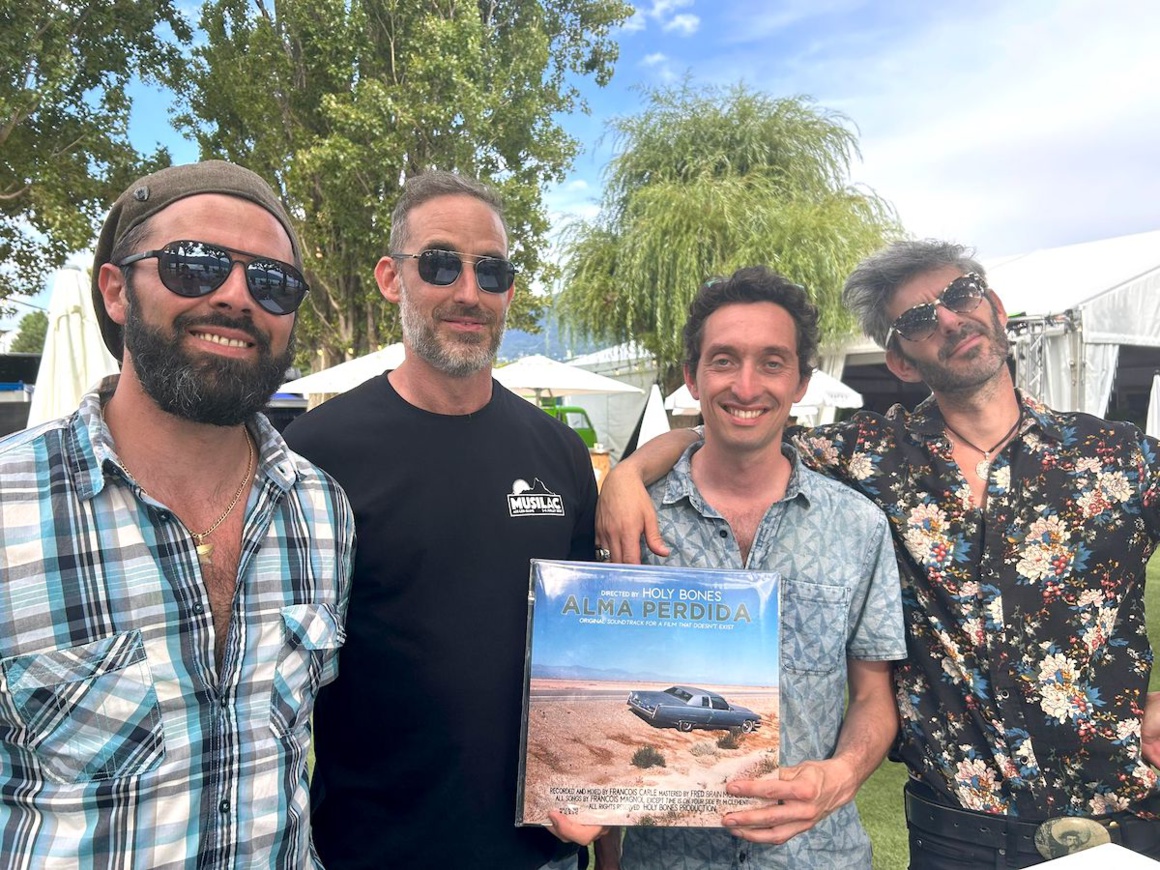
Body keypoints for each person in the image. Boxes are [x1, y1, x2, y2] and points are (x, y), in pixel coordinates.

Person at [597, 240, 1160, 867]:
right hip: (958, 832)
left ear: (995, 305)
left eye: (960, 294)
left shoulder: (1121, 458)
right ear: (900, 360)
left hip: (1118, 819)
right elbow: (738, 424)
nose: (949, 320)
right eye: (918, 319)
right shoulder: (869, 458)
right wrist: (627, 473)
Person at [0, 160, 354, 867]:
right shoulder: (10, 503)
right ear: (115, 290)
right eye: (195, 265)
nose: (235, 297)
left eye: (271, 282)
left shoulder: (322, 511)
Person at [282, 170, 598, 869]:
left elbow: (589, 648)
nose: (468, 292)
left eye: (492, 271)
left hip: (541, 852)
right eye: (440, 263)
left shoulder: (559, 452)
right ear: (391, 277)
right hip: (373, 852)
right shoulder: (313, 453)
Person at [583, 267, 905, 869]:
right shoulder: (630, 519)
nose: (747, 385)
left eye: (773, 362)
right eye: (724, 360)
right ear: (693, 378)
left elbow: (872, 694)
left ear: (802, 382)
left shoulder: (859, 527)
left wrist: (842, 774)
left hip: (817, 857)